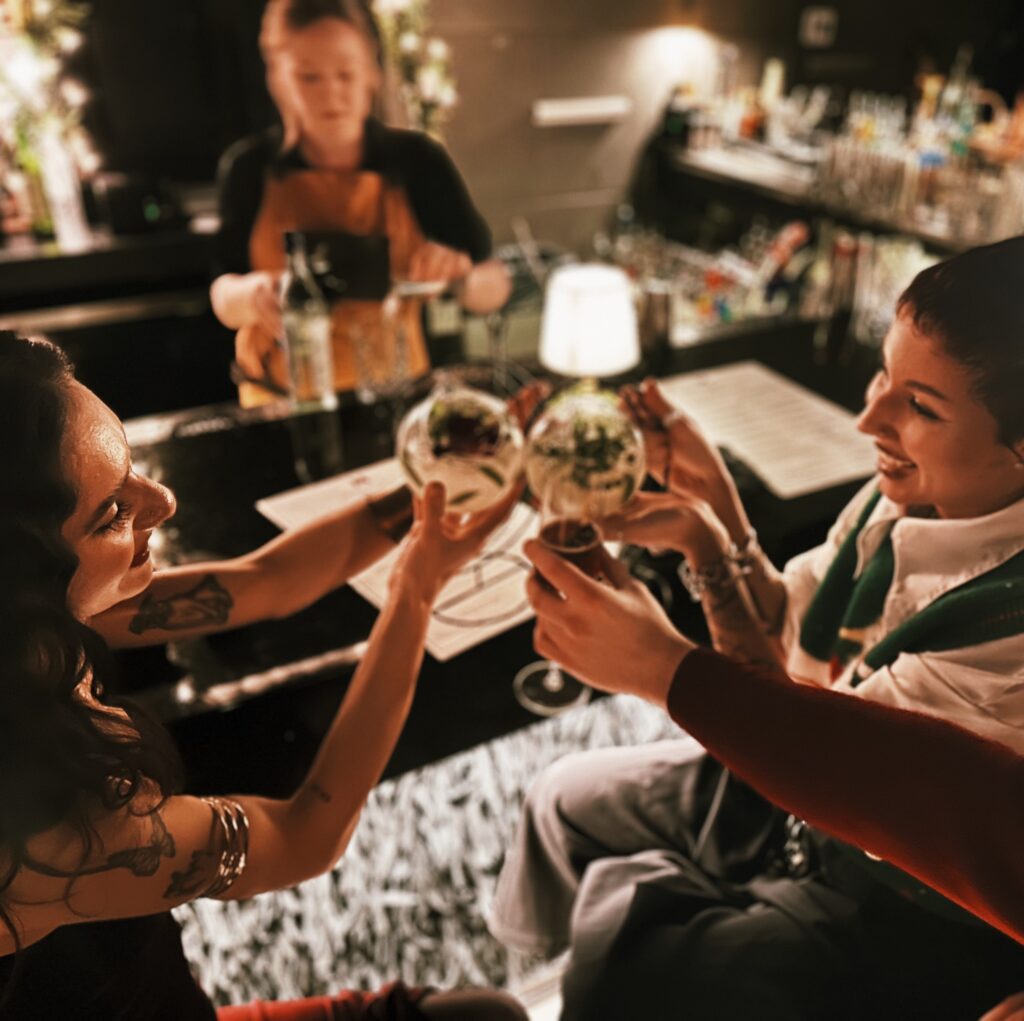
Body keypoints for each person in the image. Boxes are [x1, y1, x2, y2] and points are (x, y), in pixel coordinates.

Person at [490, 237, 1024, 1020]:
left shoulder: (1006, 635)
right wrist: (710, 512)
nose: (868, 418)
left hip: (905, 899)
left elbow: (812, 747)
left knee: (622, 952)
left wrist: (662, 663)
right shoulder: (905, 496)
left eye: (921, 407)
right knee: (561, 796)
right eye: (884, 375)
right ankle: (522, 978)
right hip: (803, 798)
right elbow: (792, 650)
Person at [0, 331, 527, 1021]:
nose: (161, 501)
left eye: (132, 468)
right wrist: (417, 593)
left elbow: (265, 581)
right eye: (114, 513)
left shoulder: (31, 630)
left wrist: (446, 482)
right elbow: (308, 834)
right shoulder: (60, 832)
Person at [210, 0, 511, 406]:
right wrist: (249, 294)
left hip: (398, 398)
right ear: (277, 78)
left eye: (346, 74)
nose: (331, 94)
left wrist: (460, 277)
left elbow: (495, 286)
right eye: (308, 77)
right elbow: (221, 296)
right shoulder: (248, 168)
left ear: (372, 72)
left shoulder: (418, 160)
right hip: (280, 404)